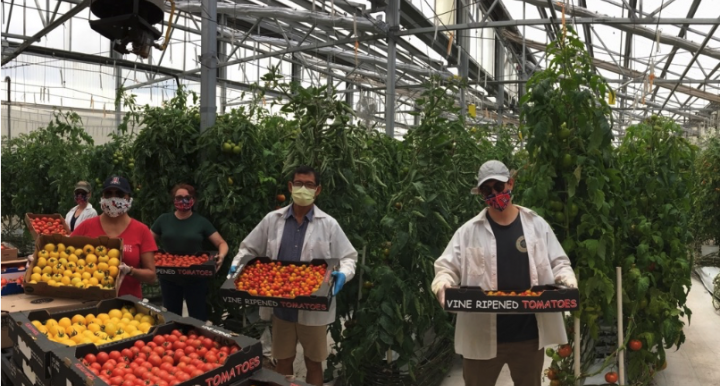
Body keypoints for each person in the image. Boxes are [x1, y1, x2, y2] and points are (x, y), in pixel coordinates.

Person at [432, 160, 578, 386]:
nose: (494, 194)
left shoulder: (536, 225)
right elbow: (446, 267)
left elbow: (559, 261)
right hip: (481, 337)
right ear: (480, 192)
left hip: (528, 336)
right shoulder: (469, 231)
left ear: (510, 184)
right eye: (486, 190)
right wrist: (443, 285)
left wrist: (567, 280)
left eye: (498, 187)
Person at [229, 166, 357, 386]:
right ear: (290, 187)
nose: (303, 189)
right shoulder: (272, 220)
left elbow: (349, 257)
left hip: (313, 305)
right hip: (281, 306)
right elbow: (248, 248)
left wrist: (343, 275)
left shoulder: (328, 224)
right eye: (298, 183)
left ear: (318, 190)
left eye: (309, 185)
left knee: (314, 362)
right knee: (283, 360)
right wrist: (237, 265)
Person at [151, 183, 229, 321]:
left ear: (193, 199)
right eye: (179, 197)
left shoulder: (201, 222)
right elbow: (148, 241)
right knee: (171, 317)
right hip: (169, 277)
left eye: (187, 197)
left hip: (195, 277)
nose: (183, 201)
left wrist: (221, 255)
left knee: (197, 318)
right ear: (173, 200)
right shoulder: (164, 219)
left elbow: (221, 243)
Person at [72, 175, 157, 298]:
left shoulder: (141, 230)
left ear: (128, 198)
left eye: (119, 194)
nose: (113, 198)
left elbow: (151, 276)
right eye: (108, 194)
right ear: (102, 197)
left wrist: (130, 271)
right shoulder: (86, 227)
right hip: (90, 302)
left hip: (127, 305)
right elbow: (64, 255)